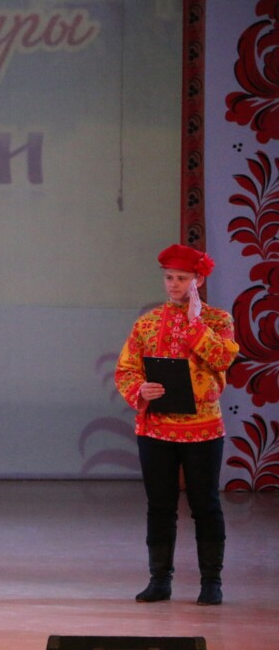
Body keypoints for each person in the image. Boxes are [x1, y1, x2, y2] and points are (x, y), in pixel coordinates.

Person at [115, 243, 239, 606]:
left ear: (198, 280)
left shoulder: (218, 320)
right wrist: (141, 389)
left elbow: (222, 359)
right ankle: (159, 580)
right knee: (160, 505)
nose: (174, 284)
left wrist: (195, 325)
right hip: (156, 428)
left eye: (182, 278)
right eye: (169, 277)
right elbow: (126, 369)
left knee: (206, 505)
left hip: (203, 428)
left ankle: (211, 581)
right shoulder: (148, 322)